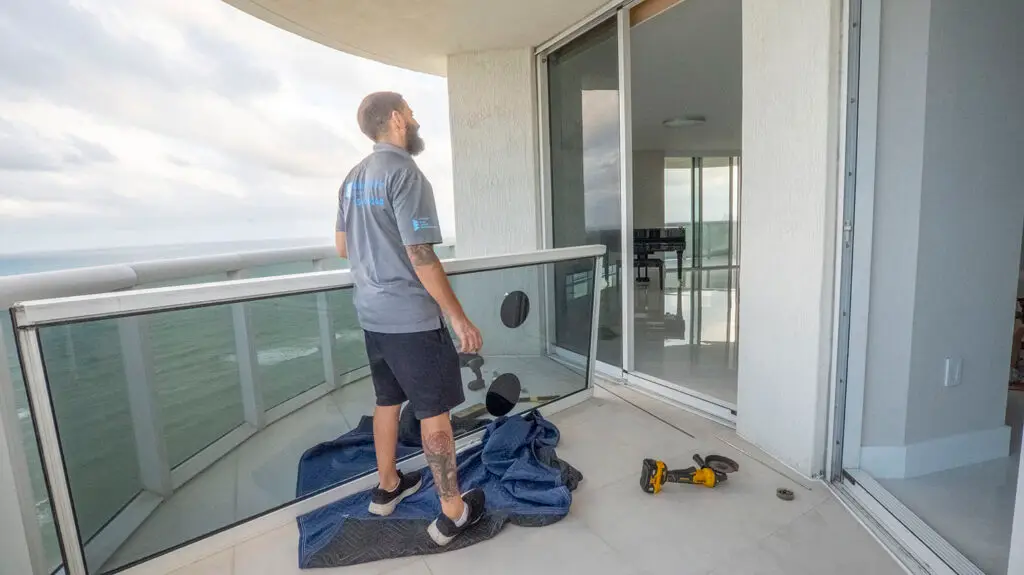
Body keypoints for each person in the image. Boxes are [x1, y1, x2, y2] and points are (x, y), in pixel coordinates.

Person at [335, 91, 486, 546]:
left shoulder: (353, 177)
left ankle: (387, 488)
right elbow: (420, 254)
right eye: (413, 115)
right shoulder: (405, 173)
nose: (417, 121)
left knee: (387, 400)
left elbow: (343, 247)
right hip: (411, 319)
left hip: (372, 314)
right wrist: (459, 319)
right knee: (433, 413)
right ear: (398, 120)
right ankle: (452, 513)